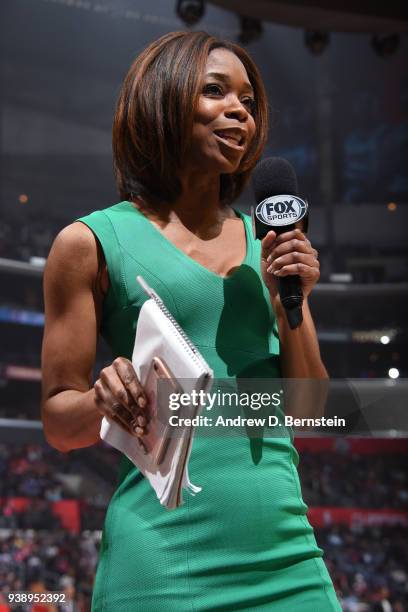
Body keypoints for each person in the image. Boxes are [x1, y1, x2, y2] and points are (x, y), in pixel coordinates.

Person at [41, 31, 341, 611]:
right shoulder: (87, 244)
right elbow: (59, 423)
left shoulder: (272, 244)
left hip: (287, 559)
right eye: (216, 92)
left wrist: (292, 305)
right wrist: (105, 400)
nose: (240, 112)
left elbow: (309, 409)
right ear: (164, 99)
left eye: (249, 102)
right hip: (161, 564)